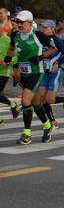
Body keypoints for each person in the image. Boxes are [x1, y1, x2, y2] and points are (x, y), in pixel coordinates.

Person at [2, 10, 56, 144]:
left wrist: (41, 57)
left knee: (25, 101)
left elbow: (52, 49)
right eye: (17, 22)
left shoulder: (38, 35)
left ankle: (27, 134)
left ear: (30, 23)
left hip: (37, 71)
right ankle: (48, 125)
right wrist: (8, 57)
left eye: (22, 22)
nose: (19, 24)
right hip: (24, 72)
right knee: (35, 102)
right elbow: (11, 48)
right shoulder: (15, 35)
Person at [37, 20, 64, 129]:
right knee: (41, 99)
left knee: (50, 100)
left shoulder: (57, 40)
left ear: (52, 29)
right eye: (43, 27)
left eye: (46, 27)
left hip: (55, 72)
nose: (44, 29)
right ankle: (52, 121)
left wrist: (57, 62)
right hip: (44, 72)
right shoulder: (40, 39)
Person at [0, 24, 19, 124]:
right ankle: (11, 104)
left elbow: (17, 57)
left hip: (3, 72)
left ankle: (12, 104)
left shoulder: (7, 40)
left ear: (2, 27)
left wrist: (6, 62)